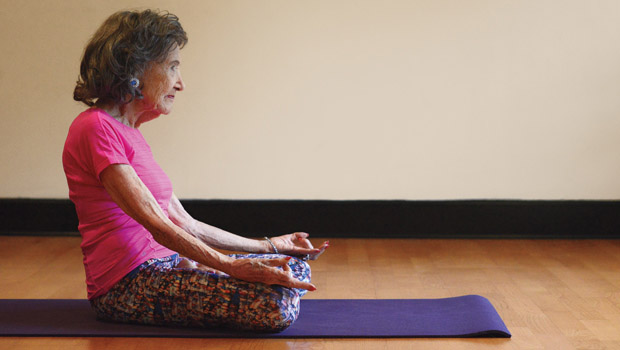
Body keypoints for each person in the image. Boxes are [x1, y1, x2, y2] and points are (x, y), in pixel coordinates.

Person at [62, 9, 328, 332]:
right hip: (127, 285)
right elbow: (156, 224)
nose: (181, 83)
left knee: (293, 267)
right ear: (136, 69)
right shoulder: (94, 129)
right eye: (172, 67)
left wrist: (270, 246)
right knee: (273, 305)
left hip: (166, 267)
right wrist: (230, 266)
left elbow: (186, 223)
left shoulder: (130, 133)